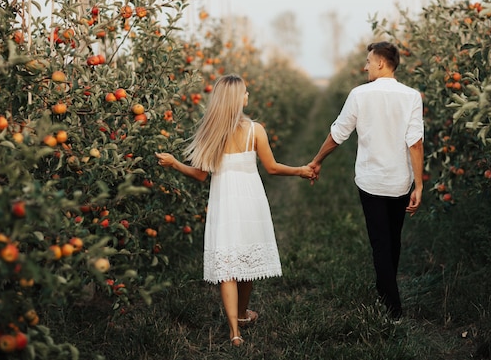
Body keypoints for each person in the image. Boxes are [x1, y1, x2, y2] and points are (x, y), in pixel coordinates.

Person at [156, 74, 314, 346]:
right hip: (251, 199)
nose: (247, 96)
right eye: (245, 92)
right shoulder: (255, 130)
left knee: (228, 264)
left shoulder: (212, 132)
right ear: (238, 99)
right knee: (247, 260)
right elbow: (273, 168)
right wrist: (300, 170)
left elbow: (201, 175)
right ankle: (242, 314)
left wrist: (174, 164)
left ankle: (234, 331)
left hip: (224, 200)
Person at [308, 41, 424, 321]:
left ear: (382, 63)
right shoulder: (411, 97)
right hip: (400, 181)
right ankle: (387, 290)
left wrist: (317, 160)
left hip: (371, 181)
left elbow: (339, 133)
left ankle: (392, 308)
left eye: (369, 61)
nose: (365, 66)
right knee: (392, 241)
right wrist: (419, 184)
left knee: (380, 243)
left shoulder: (359, 95)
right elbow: (416, 143)